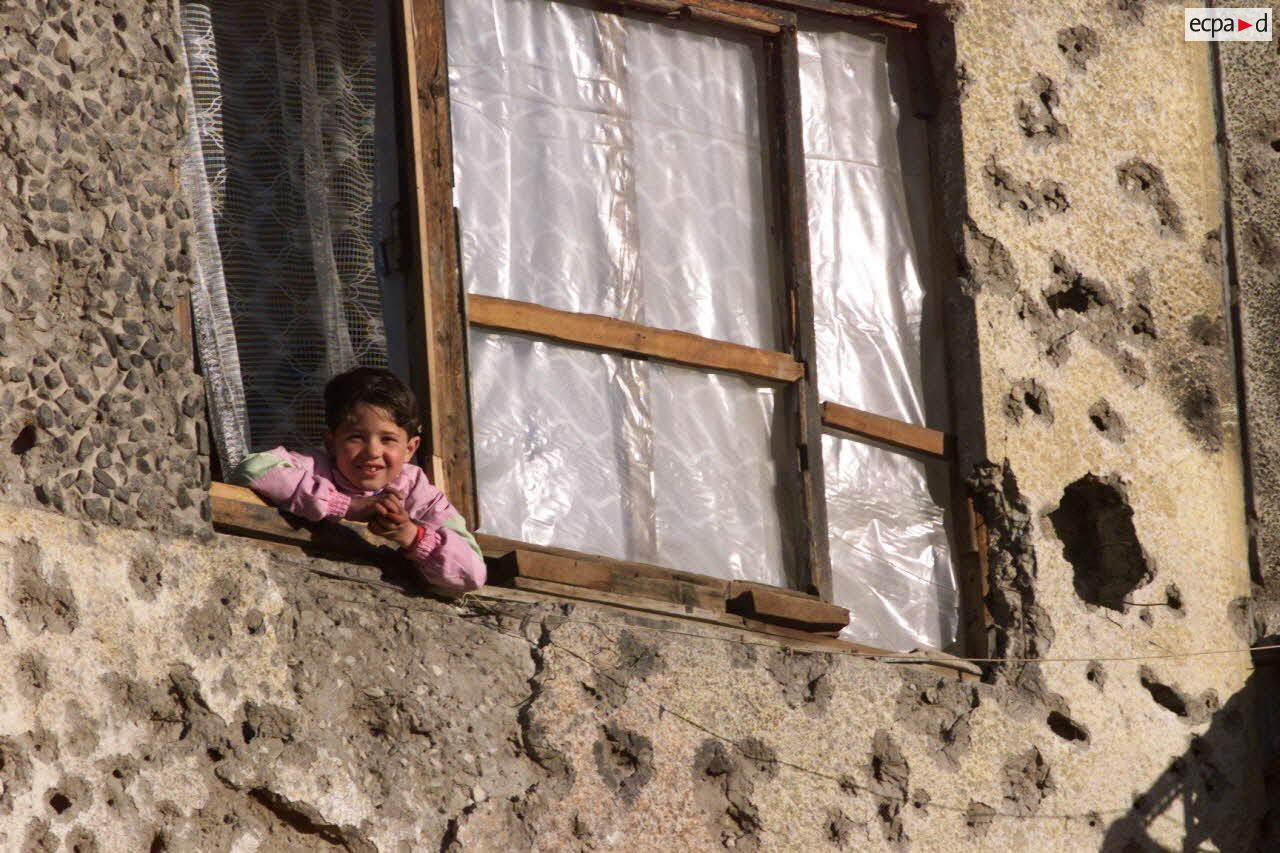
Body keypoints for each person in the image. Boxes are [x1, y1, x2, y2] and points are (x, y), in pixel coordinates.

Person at [230, 367, 486, 591]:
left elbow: (473, 574)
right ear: (331, 442)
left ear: (410, 448)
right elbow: (252, 469)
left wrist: (409, 533)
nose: (373, 452)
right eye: (356, 437)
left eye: (388, 439)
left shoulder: (419, 494)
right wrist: (346, 506)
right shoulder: (315, 468)